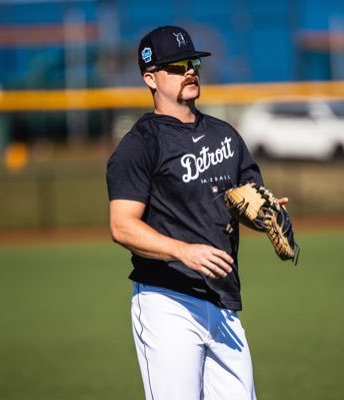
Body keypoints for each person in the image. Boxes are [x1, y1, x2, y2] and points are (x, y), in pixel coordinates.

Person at [106, 25, 288, 400]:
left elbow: (244, 200)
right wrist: (183, 250)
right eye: (175, 66)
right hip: (167, 301)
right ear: (150, 78)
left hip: (222, 301)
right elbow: (122, 226)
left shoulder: (225, 135)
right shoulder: (140, 144)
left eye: (191, 62)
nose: (188, 70)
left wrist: (262, 214)